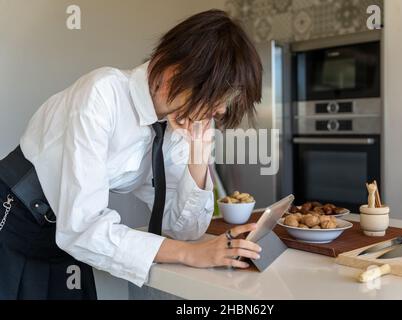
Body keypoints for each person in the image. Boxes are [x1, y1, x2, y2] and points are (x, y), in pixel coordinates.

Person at [0, 9, 263, 300]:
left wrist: (198, 155)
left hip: (61, 239)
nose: (218, 113)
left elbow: (183, 229)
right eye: (214, 101)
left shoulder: (174, 129)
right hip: (11, 223)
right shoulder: (101, 94)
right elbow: (83, 228)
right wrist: (191, 255)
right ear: (176, 70)